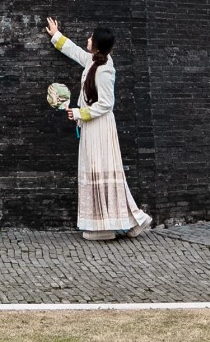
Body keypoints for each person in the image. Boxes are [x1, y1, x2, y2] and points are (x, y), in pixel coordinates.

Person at [46, 15, 152, 241]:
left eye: (91, 37)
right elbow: (75, 52)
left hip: (100, 128)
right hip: (92, 127)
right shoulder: (95, 61)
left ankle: (108, 225)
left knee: (99, 170)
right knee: (100, 171)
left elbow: (106, 104)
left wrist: (78, 112)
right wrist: (56, 35)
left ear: (98, 44)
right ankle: (130, 220)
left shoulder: (104, 69)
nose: (88, 38)